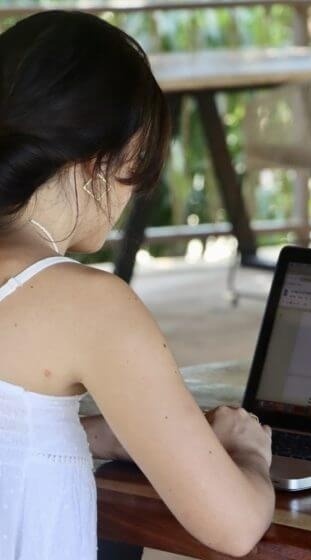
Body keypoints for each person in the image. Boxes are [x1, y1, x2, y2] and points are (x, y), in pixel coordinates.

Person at [0, 10, 274, 560]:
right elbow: (234, 527)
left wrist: (109, 432)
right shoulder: (86, 303)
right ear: (97, 162)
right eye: (137, 168)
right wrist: (249, 458)